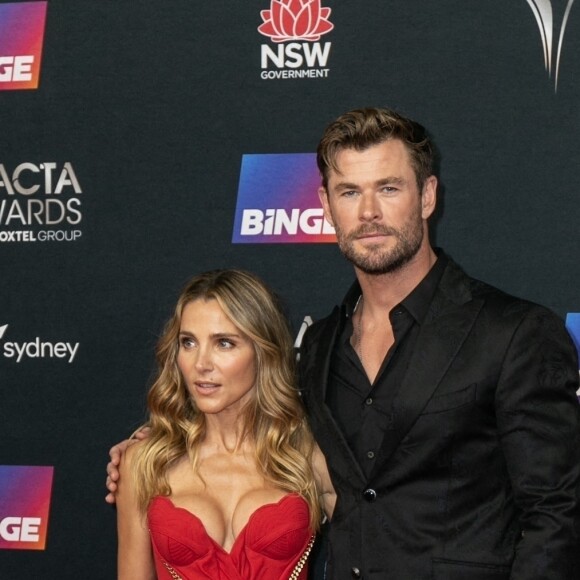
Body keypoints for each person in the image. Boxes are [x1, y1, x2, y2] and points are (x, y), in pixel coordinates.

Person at [108, 107, 580, 580]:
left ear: (428, 196)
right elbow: (259, 423)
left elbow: (557, 511)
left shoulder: (512, 332)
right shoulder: (319, 345)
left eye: (388, 188)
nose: (368, 212)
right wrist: (149, 447)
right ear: (326, 204)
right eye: (349, 192)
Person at [115, 269, 335, 579]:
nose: (201, 364)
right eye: (188, 342)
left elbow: (375, 553)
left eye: (224, 343)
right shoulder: (144, 462)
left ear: (263, 352)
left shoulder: (307, 453)